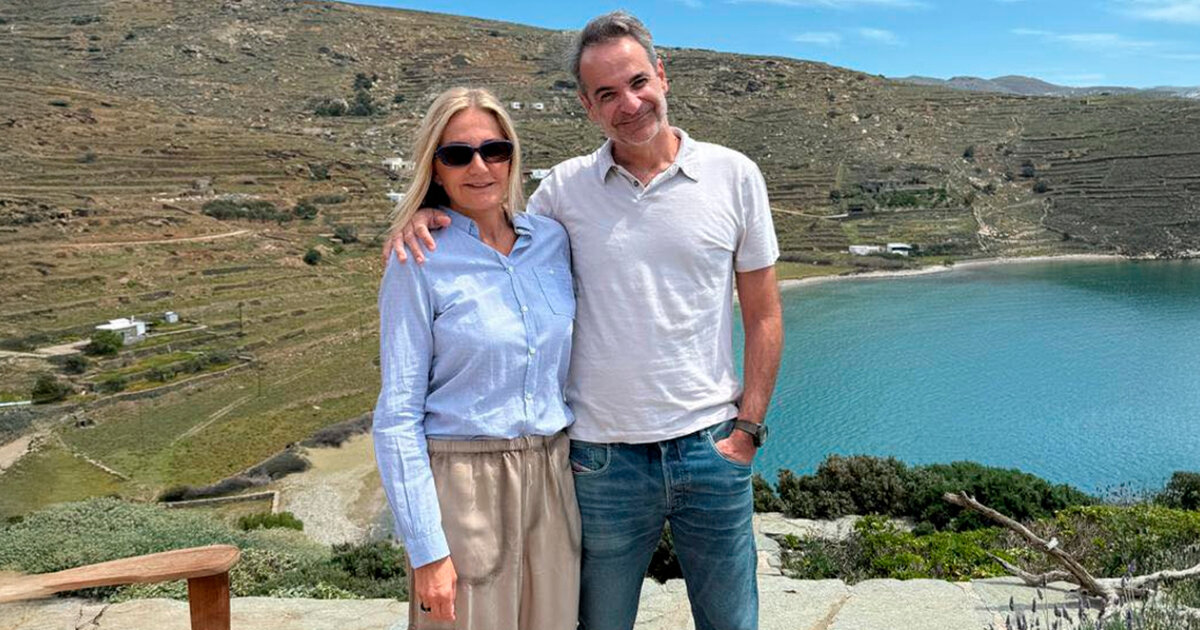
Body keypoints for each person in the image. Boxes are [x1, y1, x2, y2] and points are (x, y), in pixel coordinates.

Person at [386, 12, 784, 630]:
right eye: (607, 93)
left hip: (711, 448)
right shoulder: (563, 194)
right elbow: (487, 223)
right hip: (600, 463)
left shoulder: (735, 176)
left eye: (637, 82)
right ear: (587, 105)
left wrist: (748, 431)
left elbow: (763, 313)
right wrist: (424, 215)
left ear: (662, 75)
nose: (629, 103)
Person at [373, 86, 580, 630]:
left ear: (513, 156)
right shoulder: (417, 258)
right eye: (457, 154)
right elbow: (397, 415)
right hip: (464, 484)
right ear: (436, 168)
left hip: (553, 478)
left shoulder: (553, 241)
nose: (480, 166)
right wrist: (426, 551)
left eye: (495, 149)